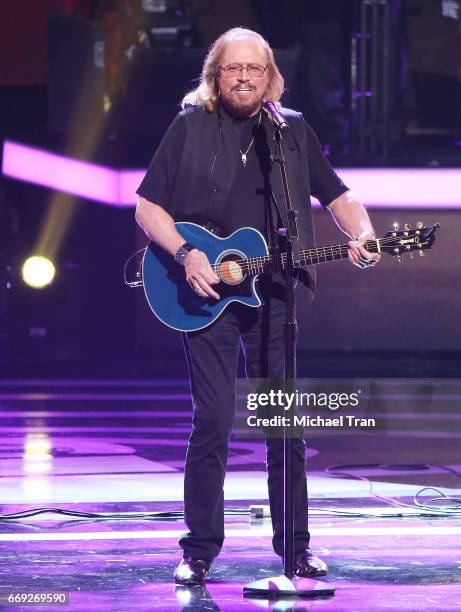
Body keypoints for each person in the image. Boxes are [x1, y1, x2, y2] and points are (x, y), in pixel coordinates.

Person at [135, 27, 381, 586]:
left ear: (271, 76)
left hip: (272, 295)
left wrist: (362, 233)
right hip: (203, 295)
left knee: (284, 425)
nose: (243, 77)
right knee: (215, 421)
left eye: (254, 68)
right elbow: (148, 206)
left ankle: (295, 548)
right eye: (231, 68)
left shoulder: (289, 132)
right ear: (214, 75)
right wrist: (187, 253)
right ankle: (198, 550)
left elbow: (338, 195)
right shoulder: (189, 127)